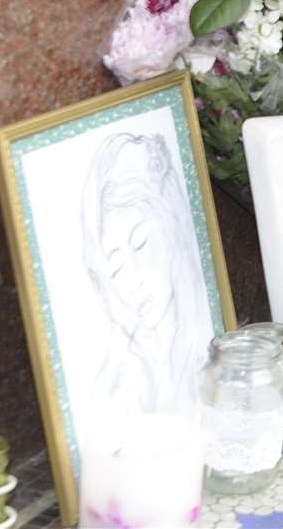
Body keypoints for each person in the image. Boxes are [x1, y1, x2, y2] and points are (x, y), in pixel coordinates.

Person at [82, 132, 214, 415]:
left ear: (171, 231)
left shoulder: (209, 342)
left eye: (140, 244)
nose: (133, 280)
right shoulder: (118, 382)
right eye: (115, 268)